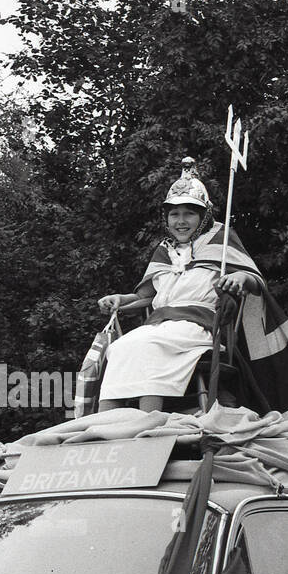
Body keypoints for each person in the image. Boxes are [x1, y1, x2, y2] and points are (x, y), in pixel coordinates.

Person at [96, 158, 261, 413]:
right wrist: (120, 298)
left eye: (189, 213)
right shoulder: (164, 250)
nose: (180, 221)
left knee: (149, 346)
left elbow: (254, 280)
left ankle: (148, 422)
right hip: (160, 326)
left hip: (201, 326)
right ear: (167, 218)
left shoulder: (221, 241)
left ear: (204, 215)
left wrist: (239, 278)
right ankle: (104, 427)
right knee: (119, 347)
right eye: (174, 214)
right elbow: (144, 296)